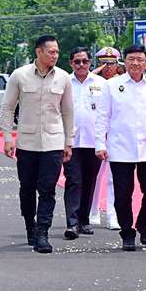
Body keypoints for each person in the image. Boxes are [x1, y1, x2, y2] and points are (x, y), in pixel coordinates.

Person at [95, 44, 146, 251]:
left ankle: (144, 224)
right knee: (122, 194)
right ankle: (127, 231)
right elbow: (103, 117)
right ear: (125, 62)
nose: (136, 63)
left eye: (140, 59)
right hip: (120, 148)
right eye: (131, 59)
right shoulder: (112, 85)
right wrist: (99, 144)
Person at [0, 35, 73, 254]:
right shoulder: (19, 76)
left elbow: (68, 111)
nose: (55, 56)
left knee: (48, 189)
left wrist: (69, 141)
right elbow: (7, 108)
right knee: (27, 189)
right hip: (27, 142)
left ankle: (43, 233)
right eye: (51, 52)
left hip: (53, 142)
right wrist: (7, 137)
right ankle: (30, 226)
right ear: (38, 52)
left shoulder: (63, 78)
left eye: (57, 52)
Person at [62, 47, 105, 239]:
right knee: (73, 181)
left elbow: (106, 113)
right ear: (71, 63)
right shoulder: (64, 82)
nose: (81, 65)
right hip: (70, 142)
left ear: (90, 63)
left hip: (93, 141)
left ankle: (84, 220)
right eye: (77, 61)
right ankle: (72, 223)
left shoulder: (101, 84)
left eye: (84, 61)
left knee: (89, 182)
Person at [88, 47, 120, 230]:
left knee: (114, 178)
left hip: (115, 136)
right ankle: (92, 212)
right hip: (96, 135)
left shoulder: (122, 83)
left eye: (111, 63)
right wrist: (95, 73)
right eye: (104, 63)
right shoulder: (94, 81)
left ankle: (112, 215)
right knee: (96, 176)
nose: (108, 67)